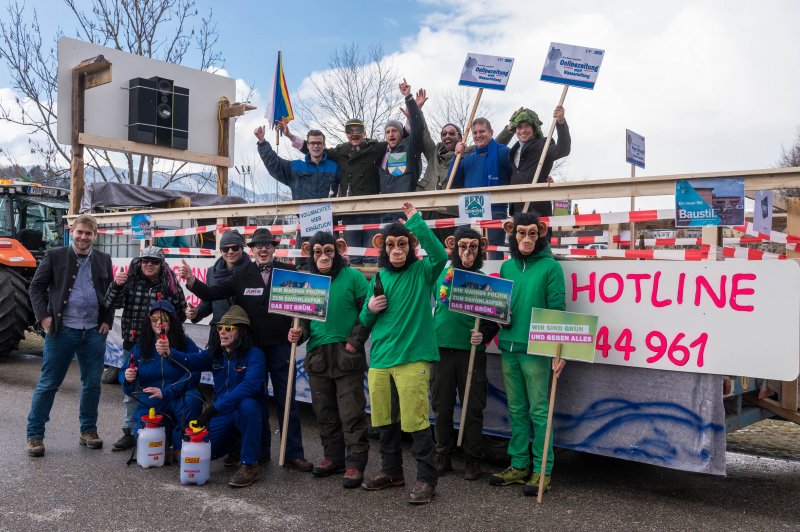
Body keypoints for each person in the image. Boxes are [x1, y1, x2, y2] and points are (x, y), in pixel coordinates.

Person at [178, 228, 313, 472]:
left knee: (287, 401)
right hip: (252, 349)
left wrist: (300, 331)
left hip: (282, 346)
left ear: (274, 248)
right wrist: (191, 281)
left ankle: (293, 453)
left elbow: (303, 312)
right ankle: (260, 452)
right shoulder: (241, 273)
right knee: (256, 401)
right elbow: (213, 292)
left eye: (267, 245)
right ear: (252, 250)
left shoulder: (289, 272)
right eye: (258, 245)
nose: (263, 249)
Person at [359, 201, 447, 505]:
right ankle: (392, 472)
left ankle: (427, 480)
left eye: (403, 244)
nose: (397, 250)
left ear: (411, 247)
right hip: (381, 359)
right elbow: (364, 320)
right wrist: (369, 309)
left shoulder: (423, 271)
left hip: (413, 358)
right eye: (392, 245)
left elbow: (441, 255)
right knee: (383, 420)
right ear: (384, 248)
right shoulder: (379, 278)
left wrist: (416, 223)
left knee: (416, 421)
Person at [488, 212, 566, 497]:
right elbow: (502, 305)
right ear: (511, 232)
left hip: (536, 350)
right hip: (508, 346)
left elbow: (557, 308)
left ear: (541, 233)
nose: (527, 239)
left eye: (533, 233)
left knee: (539, 411)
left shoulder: (550, 267)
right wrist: (498, 318)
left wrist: (561, 353)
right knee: (516, 410)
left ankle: (542, 470)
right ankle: (519, 464)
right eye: (521, 233)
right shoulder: (507, 268)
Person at [287, 232, 371, 488]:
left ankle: (355, 462)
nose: (323, 257)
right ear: (309, 253)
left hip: (346, 354)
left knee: (351, 412)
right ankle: (333, 457)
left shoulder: (354, 277)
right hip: (318, 357)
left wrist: (355, 340)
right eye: (318, 252)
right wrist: (297, 334)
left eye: (328, 251)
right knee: (324, 412)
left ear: (338, 251)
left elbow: (368, 311)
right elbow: (302, 324)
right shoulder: (308, 283)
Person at [26, 214, 114, 457]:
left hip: (94, 332)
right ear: (71, 232)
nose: (84, 237)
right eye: (80, 232)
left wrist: (107, 320)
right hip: (62, 331)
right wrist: (43, 316)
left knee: (92, 385)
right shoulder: (55, 256)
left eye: (88, 233)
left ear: (95, 235)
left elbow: (110, 293)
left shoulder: (103, 260)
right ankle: (35, 436)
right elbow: (36, 287)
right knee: (48, 384)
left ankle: (88, 431)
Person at [169, 306, 267, 488]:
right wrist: (169, 352)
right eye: (220, 327)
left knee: (248, 405)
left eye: (229, 328)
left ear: (242, 331)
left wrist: (213, 409)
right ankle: (235, 446)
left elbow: (250, 386)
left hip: (237, 411)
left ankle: (250, 464)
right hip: (222, 414)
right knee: (202, 454)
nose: (222, 332)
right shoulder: (216, 354)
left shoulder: (255, 355)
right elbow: (191, 361)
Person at [431, 227, 499, 481]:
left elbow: (495, 318)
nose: (467, 252)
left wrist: (485, 334)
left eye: (472, 247)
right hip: (441, 350)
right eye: (462, 247)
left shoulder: (485, 282)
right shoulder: (441, 275)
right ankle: (442, 455)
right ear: (454, 248)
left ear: (480, 248)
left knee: (473, 407)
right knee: (442, 406)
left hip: (471, 351)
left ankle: (472, 459)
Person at [105, 245, 187, 452]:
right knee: (131, 388)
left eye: (155, 261)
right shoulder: (129, 281)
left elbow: (180, 312)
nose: (149, 264)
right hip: (134, 344)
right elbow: (109, 303)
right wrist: (116, 285)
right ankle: (130, 432)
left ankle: (158, 430)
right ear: (140, 262)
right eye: (146, 261)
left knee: (160, 386)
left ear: (162, 264)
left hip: (161, 345)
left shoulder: (170, 284)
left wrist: (170, 333)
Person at [285, 117, 386, 264]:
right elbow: (315, 150)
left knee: (372, 254)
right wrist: (290, 136)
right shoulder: (340, 151)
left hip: (370, 209)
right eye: (350, 131)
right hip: (350, 211)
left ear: (364, 133)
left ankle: (371, 286)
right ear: (346, 134)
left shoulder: (374, 148)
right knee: (353, 255)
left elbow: (396, 140)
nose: (355, 134)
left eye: (358, 130)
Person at [121, 300, 202, 461]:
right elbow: (127, 383)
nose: (159, 323)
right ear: (149, 322)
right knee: (149, 444)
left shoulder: (185, 343)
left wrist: (167, 392)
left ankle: (181, 446)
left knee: (192, 400)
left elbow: (194, 374)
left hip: (178, 393)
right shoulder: (140, 346)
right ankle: (164, 442)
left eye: (164, 318)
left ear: (172, 321)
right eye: (155, 319)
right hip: (152, 396)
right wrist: (128, 378)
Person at [448, 118, 513, 259]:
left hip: (495, 210)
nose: (478, 135)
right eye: (475, 132)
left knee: (494, 251)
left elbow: (518, 174)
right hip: (469, 211)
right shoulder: (467, 159)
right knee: (464, 250)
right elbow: (452, 181)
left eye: (482, 131)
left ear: (491, 132)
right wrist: (456, 156)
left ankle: (495, 278)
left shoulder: (503, 152)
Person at [496, 106, 571, 218]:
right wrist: (508, 128)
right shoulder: (512, 151)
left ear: (534, 128)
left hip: (538, 210)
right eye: (519, 127)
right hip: (517, 211)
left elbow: (563, 150)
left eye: (527, 126)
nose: (523, 131)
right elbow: (493, 149)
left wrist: (561, 122)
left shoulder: (543, 145)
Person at [186, 229, 250, 343]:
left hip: (243, 332)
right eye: (225, 248)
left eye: (235, 247)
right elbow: (209, 302)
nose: (230, 251)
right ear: (221, 250)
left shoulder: (252, 271)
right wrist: (197, 312)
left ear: (242, 248)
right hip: (218, 331)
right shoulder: (212, 272)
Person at [255, 126, 340, 201]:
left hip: (331, 217)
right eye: (312, 143)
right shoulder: (296, 167)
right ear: (308, 145)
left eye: (319, 143)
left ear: (324, 145)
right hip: (304, 218)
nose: (316, 146)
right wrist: (262, 142)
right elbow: (274, 165)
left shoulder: (335, 167)